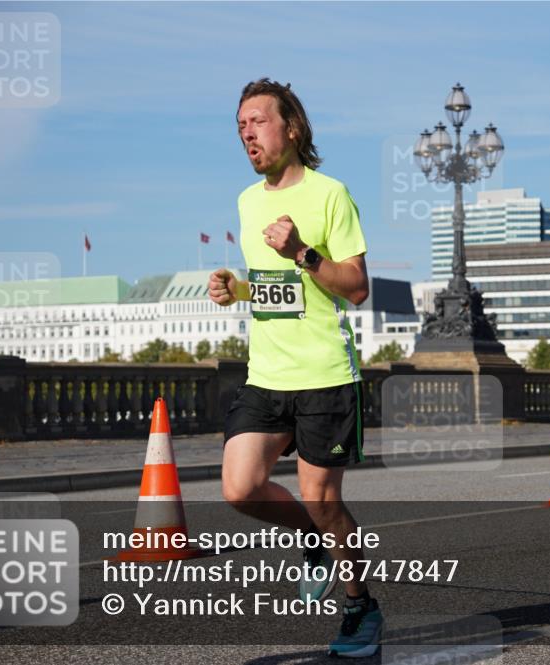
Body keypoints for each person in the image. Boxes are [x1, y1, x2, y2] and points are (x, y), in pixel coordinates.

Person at [208, 78, 381, 658]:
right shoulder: (246, 200)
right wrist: (236, 288)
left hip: (327, 376)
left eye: (257, 121)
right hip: (267, 374)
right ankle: (310, 538)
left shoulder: (332, 194)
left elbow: (355, 288)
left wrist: (303, 253)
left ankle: (360, 608)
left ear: (293, 128)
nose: (247, 134)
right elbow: (273, 289)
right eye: (239, 127)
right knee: (239, 487)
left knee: (324, 500)